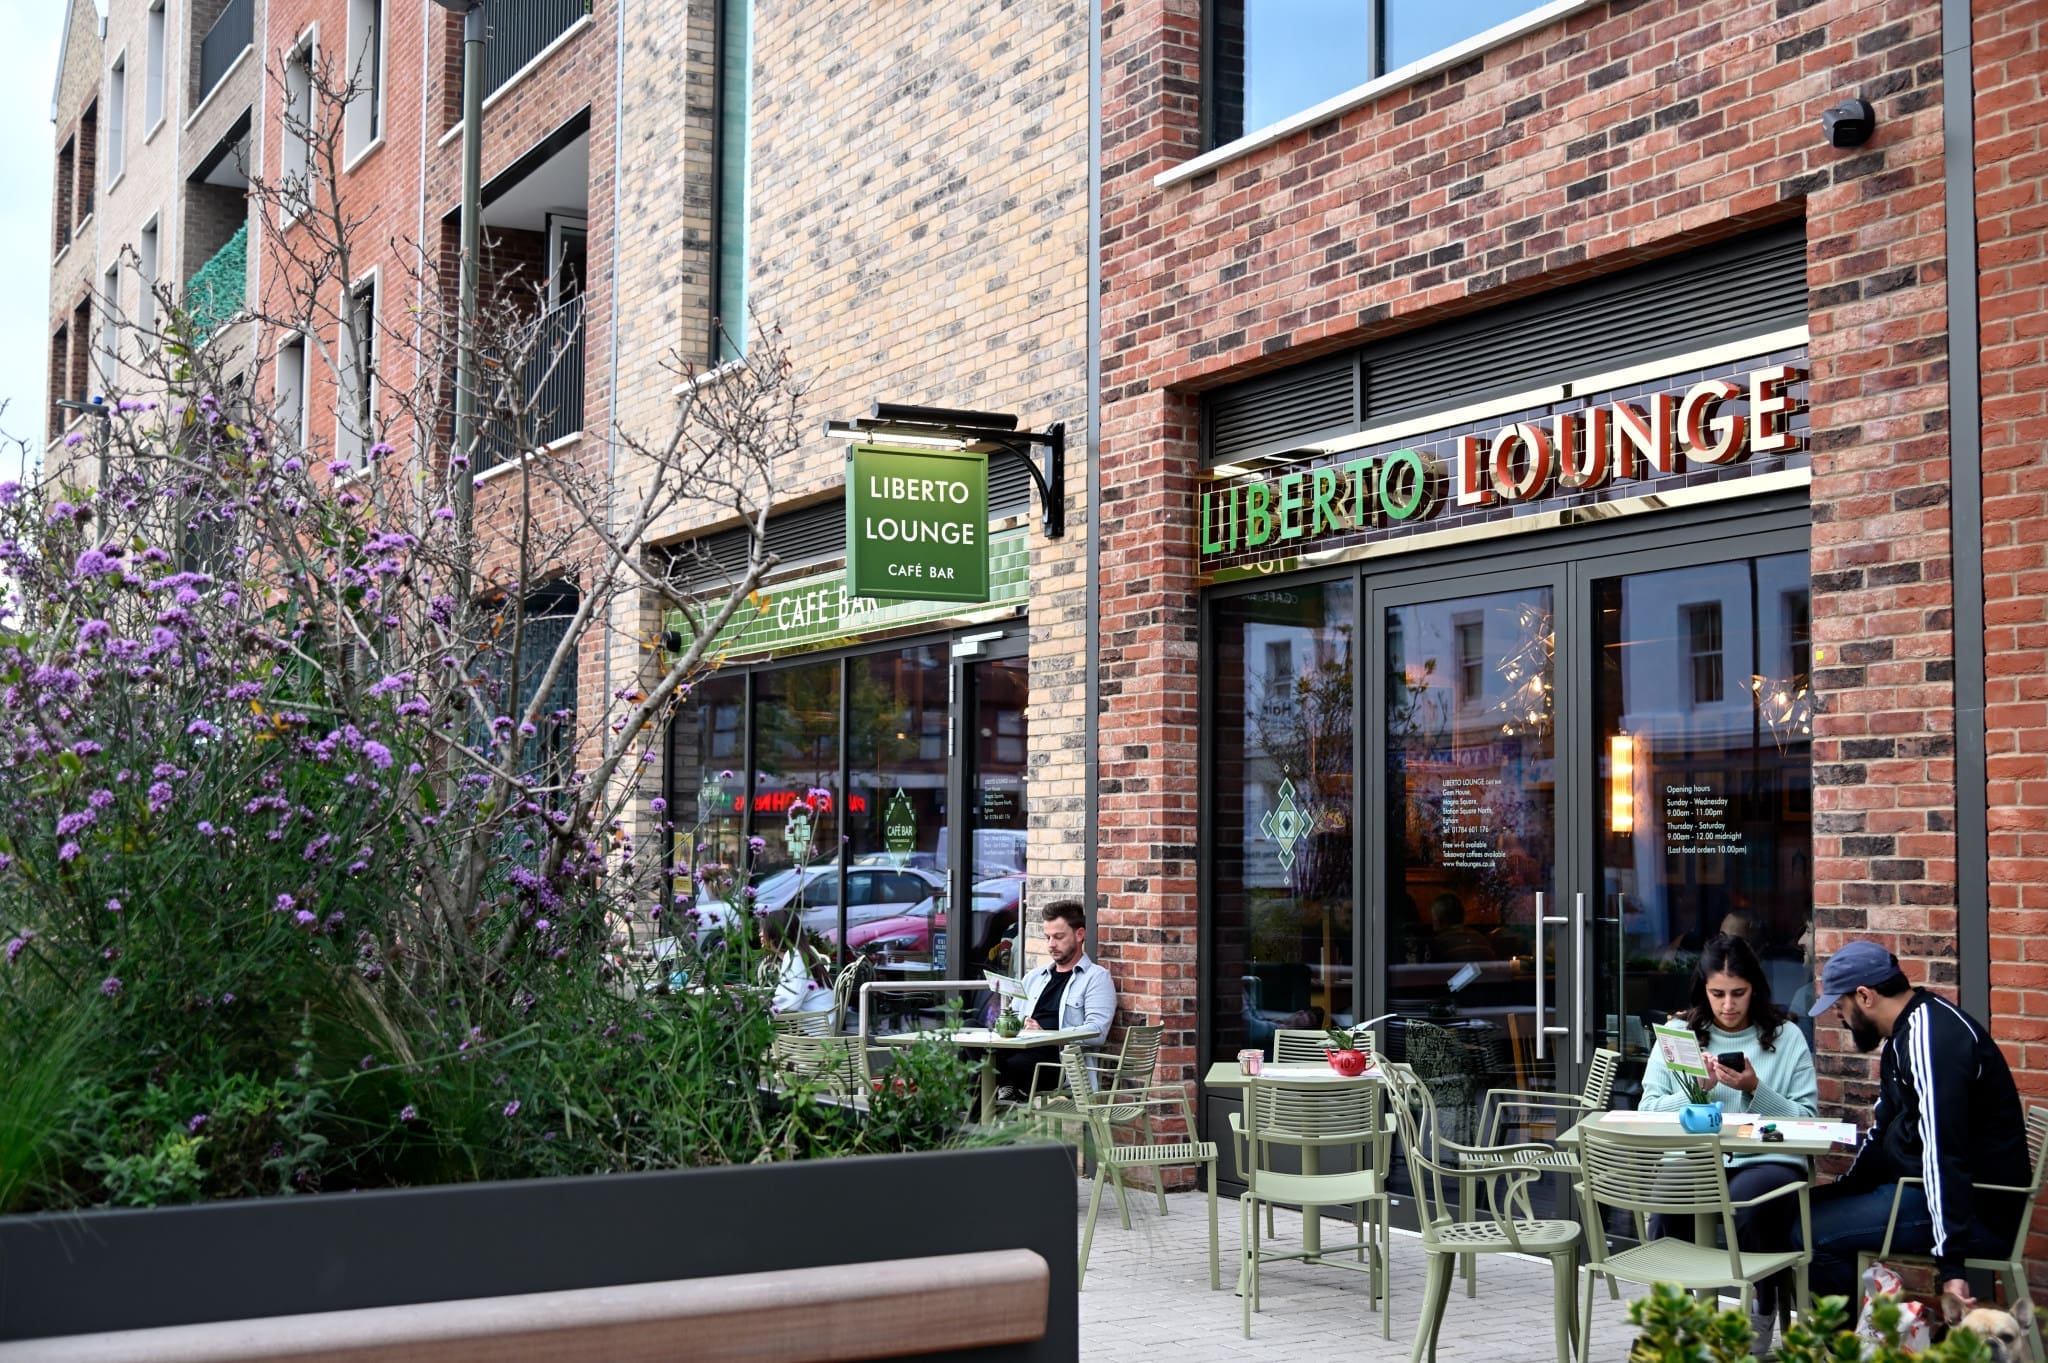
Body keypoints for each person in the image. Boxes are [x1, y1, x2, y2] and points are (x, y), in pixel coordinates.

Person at [1798, 941, 2028, 1308]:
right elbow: (1883, 1128)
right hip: (1932, 1191)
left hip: (1975, 1211)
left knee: (1806, 1233)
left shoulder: (1930, 1038)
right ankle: (1860, 1333)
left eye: (1839, 1006)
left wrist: (1951, 1267)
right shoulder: (1903, 1035)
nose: (1838, 1016)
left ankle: (1848, 1338)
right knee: (1797, 1212)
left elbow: (1942, 1151)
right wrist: (1848, 1188)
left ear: (1865, 996)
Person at [1639, 933, 1819, 1354]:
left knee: (1751, 1205)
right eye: (1717, 994)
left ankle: (1760, 1309)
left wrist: (1756, 1089)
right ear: (1703, 990)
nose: (1727, 1006)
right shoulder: (1679, 1035)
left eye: (1738, 993)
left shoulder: (1787, 1036)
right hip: (1696, 1157)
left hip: (1767, 1159)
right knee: (1666, 1203)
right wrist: (1695, 1090)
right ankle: (1686, 1322)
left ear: (1755, 988)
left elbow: (1808, 1120)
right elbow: (1648, 1110)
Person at [993, 899, 1116, 1101]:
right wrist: (1012, 1025)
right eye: (1048, 937)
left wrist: (1046, 1034)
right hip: (1019, 1051)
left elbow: (1097, 1032)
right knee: (976, 1048)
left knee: (990, 1068)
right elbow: (1014, 1016)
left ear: (1079, 935)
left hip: (1056, 1064)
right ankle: (1004, 1090)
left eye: (1058, 937)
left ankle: (994, 1098)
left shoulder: (1096, 977)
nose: (1051, 944)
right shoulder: (1034, 977)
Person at [760, 909, 834, 1016]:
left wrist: (757, 1007)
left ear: (776, 932)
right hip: (817, 1021)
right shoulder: (800, 953)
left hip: (814, 1024)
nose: (760, 934)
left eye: (764, 929)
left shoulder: (795, 957)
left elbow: (789, 1003)